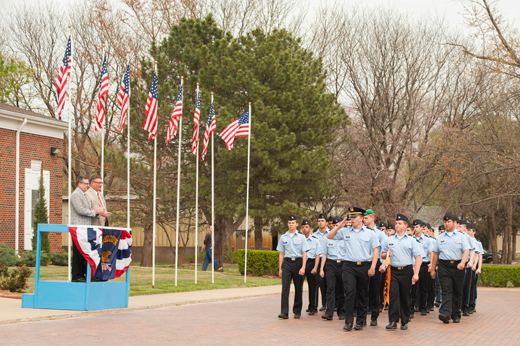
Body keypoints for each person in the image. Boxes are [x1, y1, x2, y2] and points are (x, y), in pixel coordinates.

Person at [328, 207, 380, 331]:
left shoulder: (370, 233)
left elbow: (376, 251)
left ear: (361, 218)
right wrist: (340, 225)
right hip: (349, 266)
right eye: (350, 217)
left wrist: (373, 267)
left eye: (355, 217)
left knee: (362, 294)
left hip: (364, 266)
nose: (352, 219)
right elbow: (330, 236)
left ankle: (360, 321)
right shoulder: (345, 231)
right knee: (350, 292)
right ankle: (348, 321)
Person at [381, 214, 423, 330]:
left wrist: (416, 274)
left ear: (405, 226)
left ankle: (404, 321)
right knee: (393, 296)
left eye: (400, 223)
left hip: (406, 270)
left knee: (405, 296)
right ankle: (393, 321)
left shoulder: (411, 241)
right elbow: (382, 255)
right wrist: (386, 254)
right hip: (392, 271)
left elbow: (418, 258)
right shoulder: (389, 239)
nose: (397, 225)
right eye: (396, 223)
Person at [430, 212, 471, 324]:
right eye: (445, 222)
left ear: (455, 223)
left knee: (457, 291)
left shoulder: (461, 237)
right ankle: (445, 313)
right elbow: (435, 253)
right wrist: (433, 269)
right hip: (444, 265)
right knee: (446, 290)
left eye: (449, 222)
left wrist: (463, 262)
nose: (446, 224)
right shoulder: (440, 237)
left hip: (458, 265)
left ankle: (456, 313)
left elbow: (466, 250)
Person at [70, 176, 109, 282]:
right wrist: (95, 212)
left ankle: (86, 275)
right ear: (79, 184)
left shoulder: (82, 194)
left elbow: (87, 210)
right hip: (78, 228)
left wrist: (97, 213)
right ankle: (77, 276)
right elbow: (81, 210)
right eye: (86, 184)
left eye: (88, 184)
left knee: (85, 252)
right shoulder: (75, 195)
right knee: (78, 253)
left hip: (85, 228)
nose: (87, 186)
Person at [277, 215, 309, 319]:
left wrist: (303, 267)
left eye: (293, 223)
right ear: (288, 224)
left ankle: (297, 310)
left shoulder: (301, 237)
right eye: (289, 223)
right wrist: (280, 268)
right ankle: (284, 312)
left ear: (297, 224)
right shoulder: (283, 237)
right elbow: (281, 253)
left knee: (298, 287)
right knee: (285, 287)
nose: (291, 224)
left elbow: (305, 253)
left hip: (298, 263)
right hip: (287, 263)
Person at [318, 217, 346, 321]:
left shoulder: (345, 237)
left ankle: (341, 311)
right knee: (330, 288)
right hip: (331, 264)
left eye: (337, 225)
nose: (335, 227)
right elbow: (324, 254)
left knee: (342, 289)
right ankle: (329, 312)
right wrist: (321, 269)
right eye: (334, 225)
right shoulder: (328, 237)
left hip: (343, 264)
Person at [363, 209, 385, 323]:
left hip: (376, 263)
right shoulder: (362, 232)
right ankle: (363, 314)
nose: (364, 220)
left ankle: (374, 316)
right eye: (363, 218)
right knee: (363, 290)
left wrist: (382, 263)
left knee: (375, 290)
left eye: (366, 218)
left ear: (372, 218)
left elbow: (384, 250)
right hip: (364, 263)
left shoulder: (380, 233)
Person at [412, 219, 433, 316]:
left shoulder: (427, 240)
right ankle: (412, 307)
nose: (415, 229)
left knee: (424, 287)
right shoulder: (411, 239)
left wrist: (431, 265)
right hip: (413, 265)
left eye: (417, 227)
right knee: (413, 287)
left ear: (422, 228)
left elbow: (431, 253)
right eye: (414, 227)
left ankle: (423, 307)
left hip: (424, 264)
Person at [301, 219, 320, 315]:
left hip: (311, 263)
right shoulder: (299, 239)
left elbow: (317, 255)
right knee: (299, 286)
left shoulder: (315, 240)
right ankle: (299, 307)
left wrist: (315, 267)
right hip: (301, 263)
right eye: (303, 227)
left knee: (312, 286)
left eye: (306, 227)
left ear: (310, 228)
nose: (305, 229)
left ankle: (313, 306)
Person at [314, 213, 330, 312]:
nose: (320, 223)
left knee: (329, 284)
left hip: (328, 261)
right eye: (319, 221)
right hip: (318, 260)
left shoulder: (331, 234)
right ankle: (320, 304)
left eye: (322, 221)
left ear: (327, 223)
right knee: (320, 284)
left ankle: (328, 304)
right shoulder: (314, 235)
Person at [467, 223, 483, 314]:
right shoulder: (466, 240)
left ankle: (472, 305)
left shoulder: (477, 243)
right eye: (468, 230)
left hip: (473, 265)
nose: (469, 232)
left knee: (473, 286)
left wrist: (478, 267)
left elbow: (479, 256)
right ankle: (467, 304)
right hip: (467, 264)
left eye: (471, 230)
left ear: (474, 232)